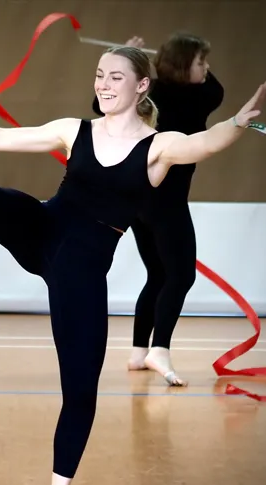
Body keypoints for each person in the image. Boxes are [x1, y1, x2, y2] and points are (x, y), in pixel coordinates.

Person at [0, 46, 266, 485]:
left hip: (81, 272)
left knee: (81, 390)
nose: (103, 85)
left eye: (116, 78)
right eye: (99, 76)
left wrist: (238, 123)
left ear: (142, 86)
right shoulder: (75, 130)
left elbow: (203, 143)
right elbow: (0, 139)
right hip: (44, 232)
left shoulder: (159, 147)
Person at [93, 32, 225, 386]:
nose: (207, 68)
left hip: (137, 201)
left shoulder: (151, 95)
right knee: (180, 276)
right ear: (185, 66)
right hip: (165, 201)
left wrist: (132, 59)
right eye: (201, 61)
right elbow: (215, 88)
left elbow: (102, 103)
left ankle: (139, 352)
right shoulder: (198, 97)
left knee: (159, 274)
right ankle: (159, 349)